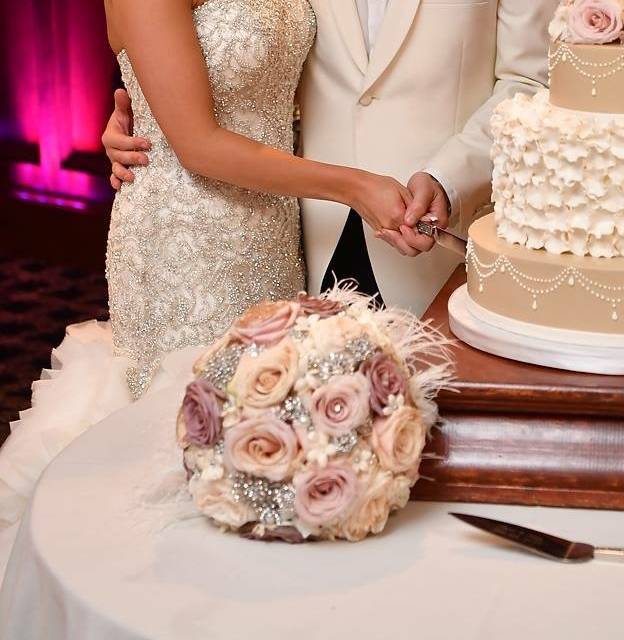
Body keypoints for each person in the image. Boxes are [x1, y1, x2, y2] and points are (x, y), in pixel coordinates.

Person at [0, 0, 419, 570]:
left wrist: (130, 108)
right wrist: (353, 186)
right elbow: (196, 144)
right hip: (186, 240)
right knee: (187, 439)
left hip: (270, 228)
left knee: (266, 432)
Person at [104, 0, 553, 315]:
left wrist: (447, 179)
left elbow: (529, 84)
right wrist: (156, 119)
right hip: (261, 238)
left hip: (427, 241)